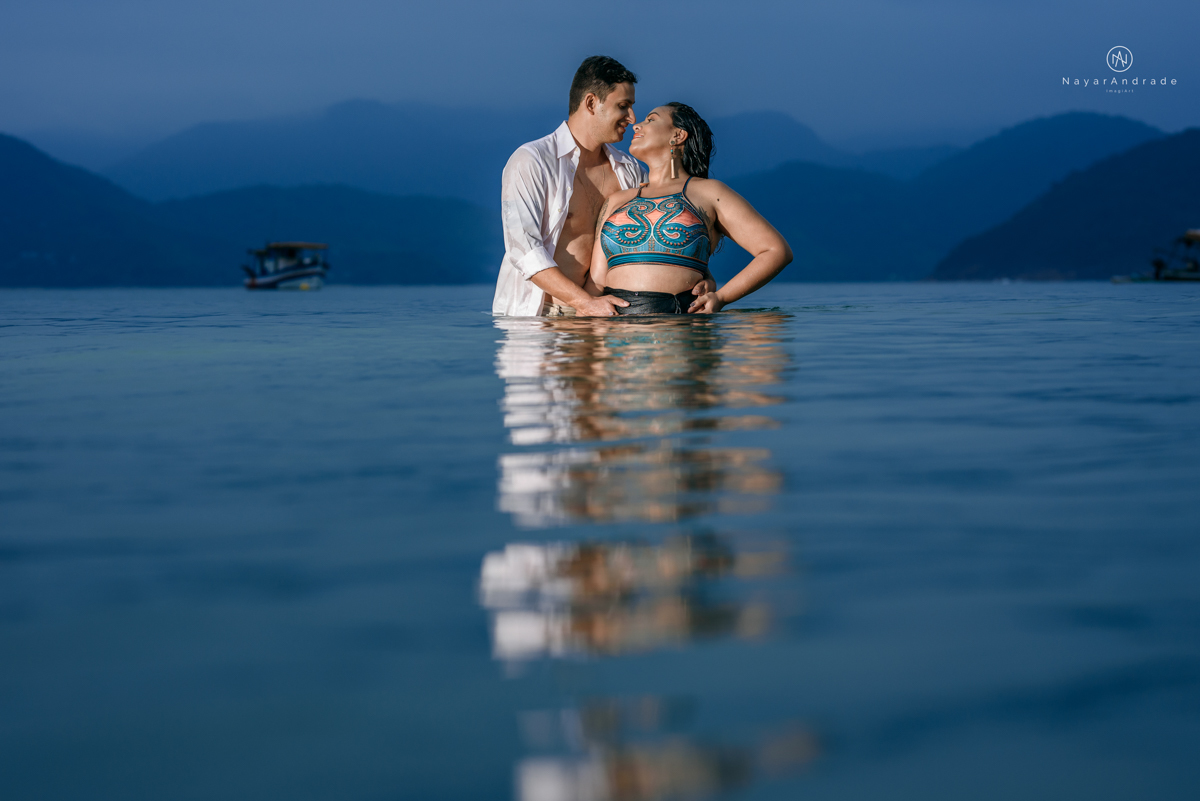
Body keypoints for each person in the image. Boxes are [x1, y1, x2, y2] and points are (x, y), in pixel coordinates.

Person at [491, 56, 714, 317]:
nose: (631, 118)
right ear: (591, 103)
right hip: (540, 315)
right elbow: (524, 249)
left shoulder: (630, 171)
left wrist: (704, 276)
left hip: (606, 316)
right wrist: (583, 302)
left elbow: (658, 233)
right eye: (623, 106)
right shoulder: (531, 161)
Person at [590, 103, 792, 314]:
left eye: (651, 120)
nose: (636, 126)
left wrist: (722, 297)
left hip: (681, 329)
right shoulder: (616, 201)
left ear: (678, 135)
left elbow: (775, 251)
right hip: (613, 333)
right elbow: (595, 282)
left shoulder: (710, 193)